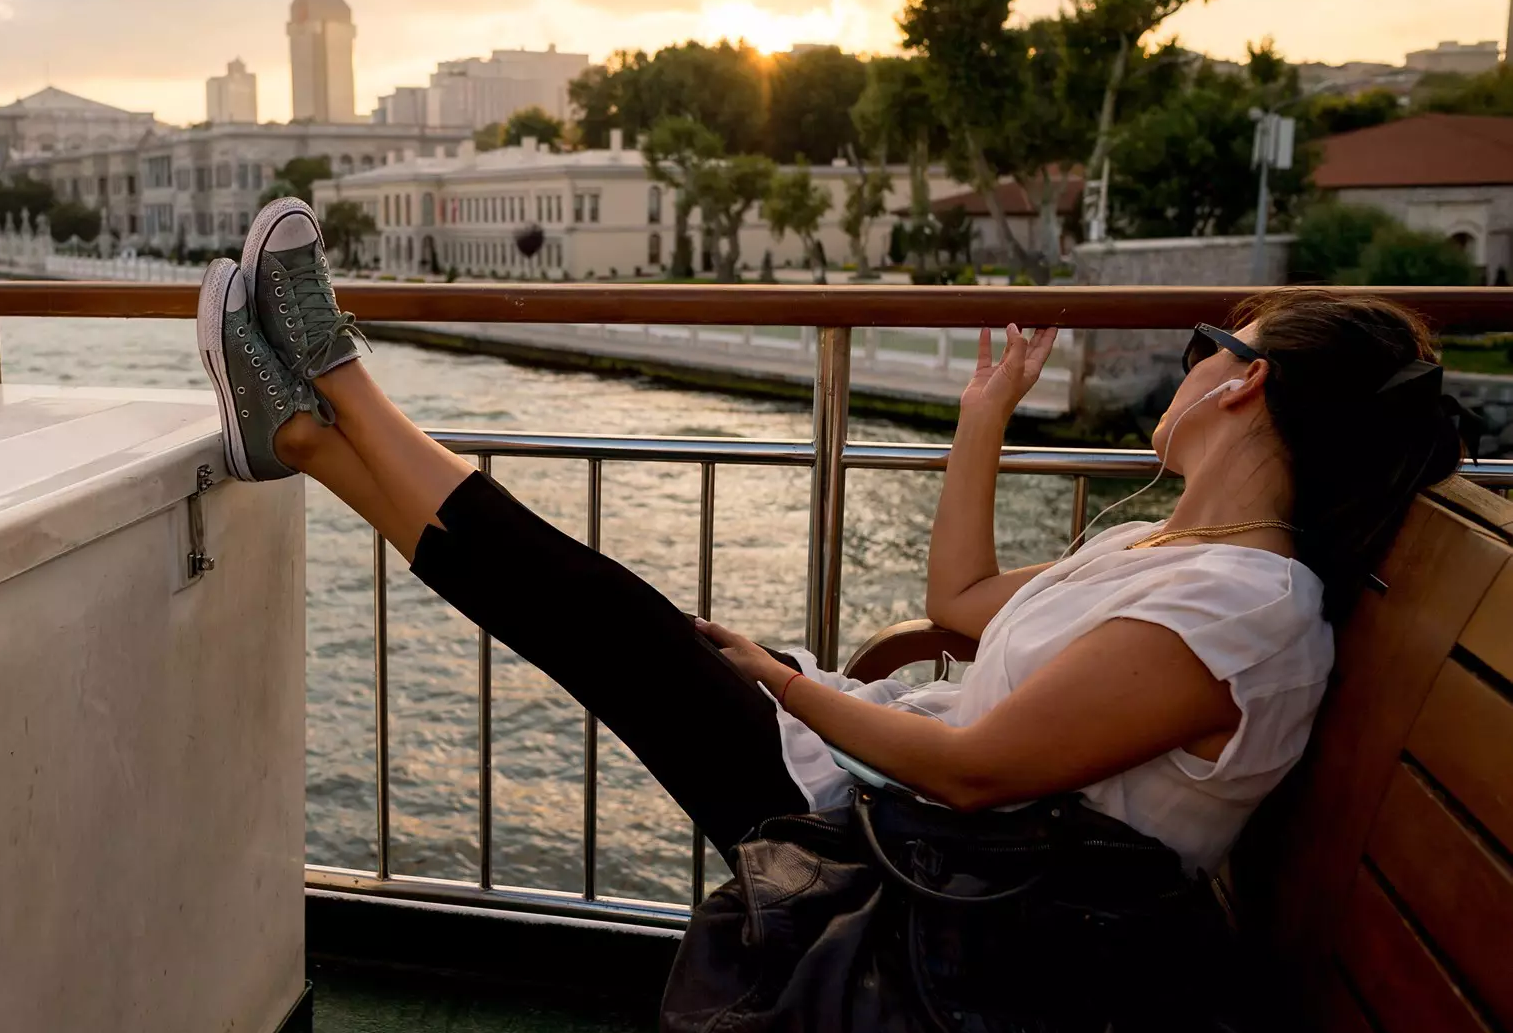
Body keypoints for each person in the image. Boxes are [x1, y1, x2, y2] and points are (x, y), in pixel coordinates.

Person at [196, 198, 1466, 879]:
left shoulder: (1239, 612)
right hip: (912, 818)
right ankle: (307, 433)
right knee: (606, 622)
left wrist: (785, 678)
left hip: (945, 871)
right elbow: (963, 595)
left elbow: (979, 773)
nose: (1194, 368)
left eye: (1209, 351)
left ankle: (334, 379)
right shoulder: (1178, 559)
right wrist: (982, 418)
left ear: (1243, 386)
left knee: (610, 621)